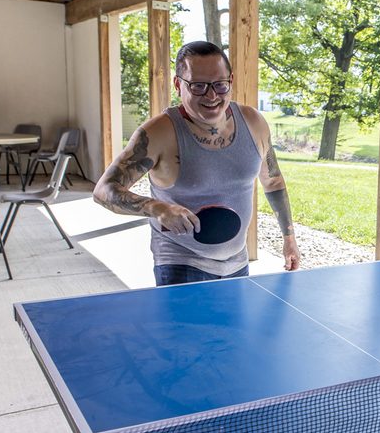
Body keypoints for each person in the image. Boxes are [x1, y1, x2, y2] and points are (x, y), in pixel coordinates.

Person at [94, 41, 301, 286]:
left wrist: (289, 238)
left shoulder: (254, 122)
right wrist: (157, 208)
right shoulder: (158, 133)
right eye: (198, 86)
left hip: (237, 261)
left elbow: (273, 180)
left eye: (220, 85)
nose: (211, 96)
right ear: (178, 84)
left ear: (230, 81)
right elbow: (104, 190)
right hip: (180, 263)